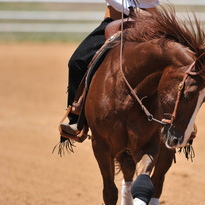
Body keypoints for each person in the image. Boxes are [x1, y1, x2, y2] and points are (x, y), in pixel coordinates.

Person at [60, 0, 159, 136]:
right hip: (115, 24)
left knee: (177, 59)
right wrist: (131, 9)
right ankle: (76, 116)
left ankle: (180, 120)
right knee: (77, 61)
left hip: (149, 24)